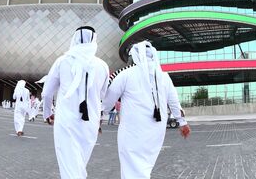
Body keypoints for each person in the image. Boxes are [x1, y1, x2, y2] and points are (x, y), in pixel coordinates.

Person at [102, 41, 190, 179]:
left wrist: (99, 117)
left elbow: (108, 100)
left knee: (131, 166)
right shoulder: (164, 76)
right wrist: (183, 123)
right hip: (156, 130)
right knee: (144, 166)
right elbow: (174, 102)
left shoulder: (126, 74)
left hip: (132, 130)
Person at [42, 26, 110, 179]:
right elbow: (103, 96)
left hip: (66, 121)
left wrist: (47, 113)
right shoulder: (103, 66)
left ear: (74, 39)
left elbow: (47, 93)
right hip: (90, 123)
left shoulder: (61, 61)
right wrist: (99, 120)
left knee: (70, 166)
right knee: (78, 164)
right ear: (94, 39)